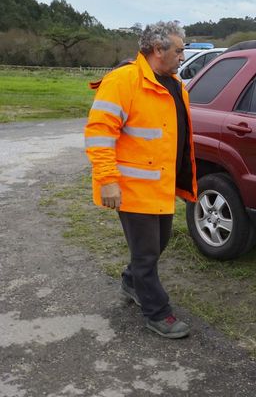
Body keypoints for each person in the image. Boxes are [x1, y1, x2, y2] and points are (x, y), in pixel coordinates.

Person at [84, 21, 197, 338]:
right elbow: (99, 133)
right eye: (178, 50)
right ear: (158, 49)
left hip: (159, 186)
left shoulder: (174, 83)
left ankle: (132, 281)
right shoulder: (123, 81)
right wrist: (107, 179)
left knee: (159, 243)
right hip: (132, 188)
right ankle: (157, 312)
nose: (182, 55)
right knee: (147, 252)